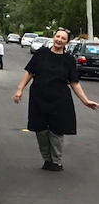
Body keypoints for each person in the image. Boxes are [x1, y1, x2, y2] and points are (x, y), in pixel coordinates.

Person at [13, 27, 98, 171]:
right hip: (38, 97)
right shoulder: (41, 54)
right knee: (40, 130)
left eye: (63, 38)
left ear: (67, 42)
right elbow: (29, 73)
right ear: (54, 37)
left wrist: (85, 101)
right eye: (58, 37)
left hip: (60, 99)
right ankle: (47, 159)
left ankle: (56, 161)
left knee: (56, 131)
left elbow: (74, 83)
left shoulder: (68, 60)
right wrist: (19, 90)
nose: (59, 40)